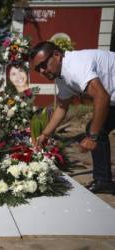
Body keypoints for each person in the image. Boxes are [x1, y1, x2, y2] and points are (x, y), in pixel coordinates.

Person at [29, 41, 115, 194]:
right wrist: (45, 134)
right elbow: (62, 107)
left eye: (43, 64)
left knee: (95, 130)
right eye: (38, 69)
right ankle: (104, 182)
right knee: (96, 128)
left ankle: (103, 180)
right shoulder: (61, 76)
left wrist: (92, 138)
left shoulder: (75, 66)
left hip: (109, 98)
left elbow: (101, 97)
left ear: (57, 55)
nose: (42, 71)